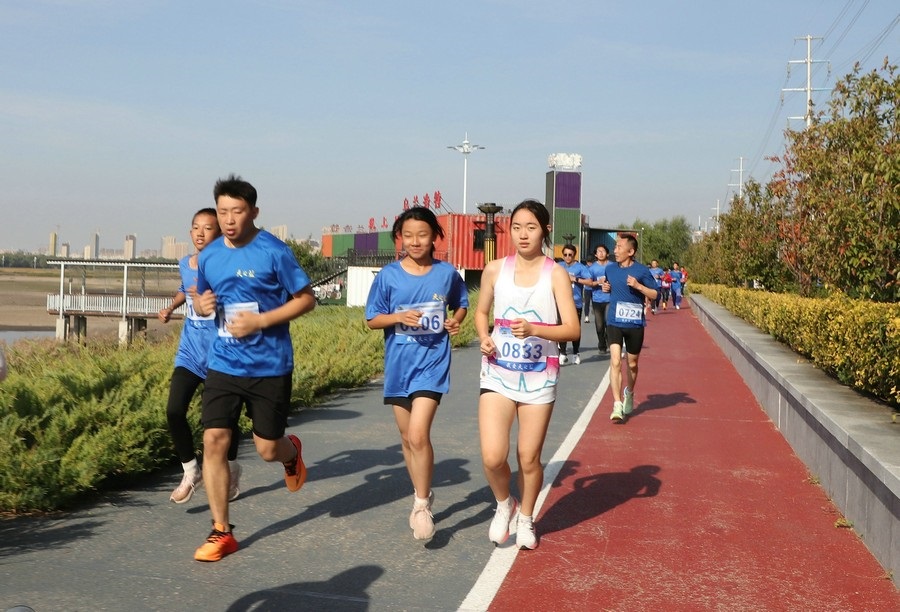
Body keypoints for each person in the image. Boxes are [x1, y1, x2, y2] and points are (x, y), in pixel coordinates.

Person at [190, 174, 317, 562]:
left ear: (254, 212)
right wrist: (201, 306)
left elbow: (306, 299)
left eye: (238, 211)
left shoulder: (274, 251)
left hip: (269, 365)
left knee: (266, 448)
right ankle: (221, 531)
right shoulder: (210, 255)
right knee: (214, 440)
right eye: (223, 212)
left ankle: (290, 453)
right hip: (223, 363)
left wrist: (261, 321)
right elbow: (202, 298)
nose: (229, 220)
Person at [476, 199, 581, 550]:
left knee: (528, 457)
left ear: (545, 230)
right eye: (517, 227)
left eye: (531, 228)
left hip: (539, 377)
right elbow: (481, 312)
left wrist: (535, 329)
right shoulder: (494, 270)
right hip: (497, 373)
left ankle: (526, 517)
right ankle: (504, 502)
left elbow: (572, 329)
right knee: (493, 456)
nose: (523, 234)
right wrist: (484, 337)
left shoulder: (556, 274)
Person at [365, 206, 469, 542]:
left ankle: (422, 505)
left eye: (422, 235)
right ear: (400, 238)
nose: (415, 241)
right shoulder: (388, 276)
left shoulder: (446, 273)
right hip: (399, 366)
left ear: (435, 236)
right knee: (407, 437)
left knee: (419, 434)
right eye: (408, 235)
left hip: (432, 364)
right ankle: (421, 492)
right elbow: (372, 319)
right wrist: (398, 317)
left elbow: (461, 303)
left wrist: (455, 321)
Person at [158, 208, 242, 504]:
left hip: (221, 356)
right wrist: (171, 307)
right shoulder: (185, 263)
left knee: (223, 421)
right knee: (174, 411)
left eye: (207, 228)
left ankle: (231, 468)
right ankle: (191, 471)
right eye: (196, 227)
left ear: (218, 234)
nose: (200, 233)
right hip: (190, 354)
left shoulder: (226, 266)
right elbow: (185, 288)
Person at [600, 234, 658, 423]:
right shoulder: (610, 269)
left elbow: (655, 294)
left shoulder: (641, 271)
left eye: (619, 247)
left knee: (632, 364)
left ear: (630, 251)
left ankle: (629, 392)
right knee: (615, 361)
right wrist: (606, 288)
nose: (615, 250)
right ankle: (617, 404)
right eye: (615, 247)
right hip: (614, 321)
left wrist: (638, 286)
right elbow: (609, 286)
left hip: (634, 324)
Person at [557, 244, 592, 365]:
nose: (567, 257)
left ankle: (576, 353)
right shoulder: (559, 266)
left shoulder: (580, 268)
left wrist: (575, 279)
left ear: (574, 255)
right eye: (565, 254)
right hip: (561, 302)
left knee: (575, 329)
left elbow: (590, 281)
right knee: (562, 328)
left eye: (570, 255)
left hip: (575, 302)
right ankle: (562, 353)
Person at [588, 244, 611, 353]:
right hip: (597, 300)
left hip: (610, 299)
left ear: (607, 253)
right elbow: (589, 284)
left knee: (608, 322)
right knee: (599, 325)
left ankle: (608, 339)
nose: (601, 253)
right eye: (599, 251)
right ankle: (602, 344)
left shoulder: (612, 266)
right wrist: (598, 282)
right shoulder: (592, 268)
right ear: (596, 255)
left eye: (603, 251)